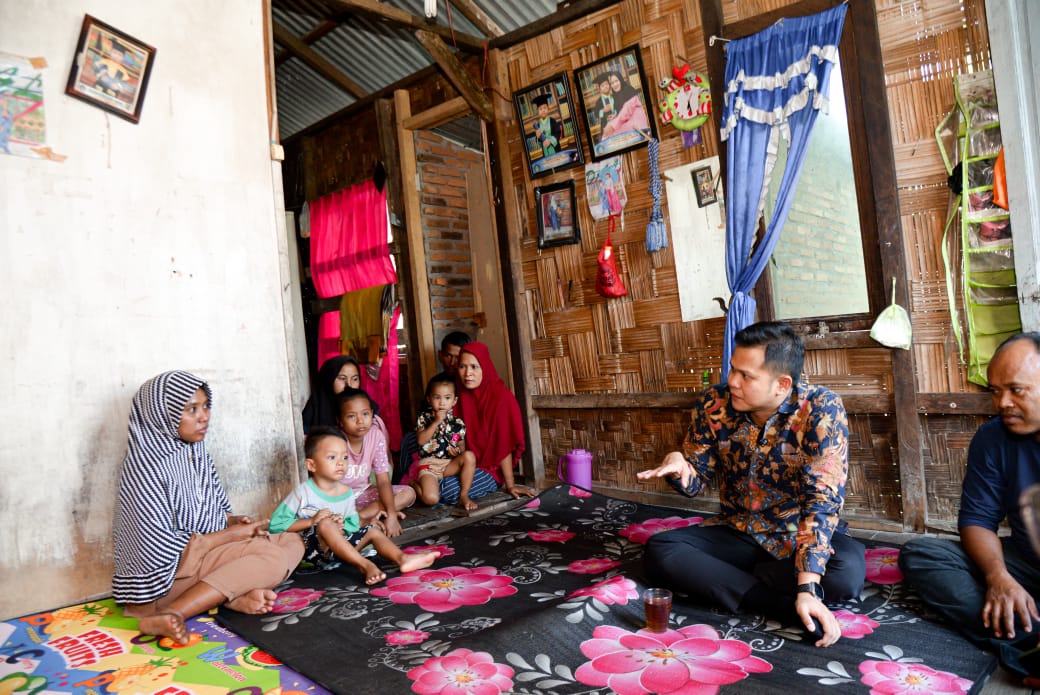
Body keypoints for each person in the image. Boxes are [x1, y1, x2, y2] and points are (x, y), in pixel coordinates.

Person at [637, 322, 865, 648]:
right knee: (661, 550)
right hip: (738, 532)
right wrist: (678, 464)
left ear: (781, 384)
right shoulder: (714, 404)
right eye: (733, 370)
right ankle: (784, 606)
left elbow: (821, 500)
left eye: (746, 376)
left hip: (793, 535)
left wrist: (808, 586)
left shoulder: (820, 408)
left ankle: (743, 585)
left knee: (846, 572)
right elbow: (695, 482)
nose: (732, 382)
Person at [112, 371, 304, 645]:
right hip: (167, 578)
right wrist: (231, 536)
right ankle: (171, 613)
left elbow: (210, 512)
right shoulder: (146, 466)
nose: (204, 416)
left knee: (292, 540)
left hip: (204, 557)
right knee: (271, 557)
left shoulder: (194, 451)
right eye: (191, 409)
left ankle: (231, 596)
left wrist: (231, 521)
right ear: (160, 414)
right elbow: (157, 549)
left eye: (205, 406)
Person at [899, 333, 1040, 678]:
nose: (1001, 402)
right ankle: (1029, 639)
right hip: (1027, 563)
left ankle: (1021, 642)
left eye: (1015, 389)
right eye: (995, 391)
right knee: (923, 556)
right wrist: (999, 577)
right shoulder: (993, 437)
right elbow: (977, 519)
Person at [269, 427, 439, 585]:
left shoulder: (346, 492)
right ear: (311, 465)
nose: (341, 463)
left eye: (344, 457)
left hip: (339, 552)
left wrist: (341, 526)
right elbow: (276, 524)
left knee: (372, 530)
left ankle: (403, 559)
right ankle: (364, 564)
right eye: (332, 457)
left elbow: (352, 524)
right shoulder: (303, 493)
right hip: (311, 554)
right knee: (325, 523)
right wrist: (311, 521)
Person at [455, 342, 536, 500]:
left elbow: (503, 445)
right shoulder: (459, 396)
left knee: (449, 490)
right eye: (462, 366)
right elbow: (457, 437)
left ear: (485, 367)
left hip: (490, 469)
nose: (467, 374)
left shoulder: (501, 398)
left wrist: (510, 484)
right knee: (429, 481)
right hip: (461, 463)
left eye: (474, 367)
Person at [337, 387, 415, 536]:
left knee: (407, 493)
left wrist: (391, 515)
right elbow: (327, 488)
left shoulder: (375, 435)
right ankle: (365, 515)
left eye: (365, 414)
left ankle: (361, 517)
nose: (360, 421)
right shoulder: (335, 441)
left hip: (363, 493)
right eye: (352, 416)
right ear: (340, 421)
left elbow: (383, 481)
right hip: (339, 499)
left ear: (372, 414)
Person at [409, 372, 480, 511]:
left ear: (454, 401)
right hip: (428, 467)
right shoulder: (424, 418)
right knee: (431, 499)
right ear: (429, 399)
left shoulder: (458, 423)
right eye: (437, 397)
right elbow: (421, 441)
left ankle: (464, 495)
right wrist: (436, 421)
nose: (442, 402)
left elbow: (462, 449)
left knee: (469, 456)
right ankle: (413, 485)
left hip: (448, 465)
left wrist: (457, 452)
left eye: (447, 398)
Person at [301, 355, 362, 433]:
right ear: (329, 379)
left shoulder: (369, 411)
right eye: (342, 378)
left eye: (355, 379)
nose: (349, 384)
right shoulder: (311, 414)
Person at [601, 70, 650, 141]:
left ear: (620, 80)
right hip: (626, 121)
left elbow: (627, 109)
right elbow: (622, 112)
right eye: (612, 83)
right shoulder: (616, 97)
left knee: (611, 134)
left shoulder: (628, 89)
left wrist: (612, 125)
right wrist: (616, 116)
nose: (614, 85)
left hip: (636, 123)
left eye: (616, 81)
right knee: (607, 136)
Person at [531, 93, 561, 158]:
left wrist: (550, 141)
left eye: (545, 108)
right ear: (538, 112)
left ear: (548, 108)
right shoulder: (538, 125)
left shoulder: (552, 121)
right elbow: (538, 140)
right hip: (545, 151)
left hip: (554, 148)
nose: (543, 110)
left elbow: (558, 133)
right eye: (540, 109)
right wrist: (538, 137)